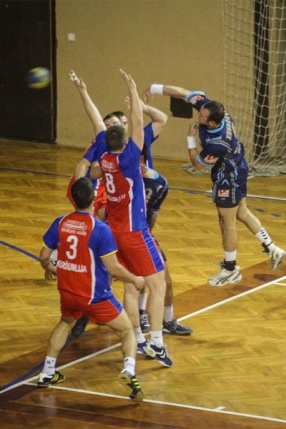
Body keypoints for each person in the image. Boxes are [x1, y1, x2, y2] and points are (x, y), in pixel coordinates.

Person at [143, 84, 286, 287]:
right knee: (242, 212)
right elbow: (184, 93)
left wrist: (190, 139)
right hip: (238, 167)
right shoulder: (212, 108)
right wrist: (153, 88)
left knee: (227, 222)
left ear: (211, 122)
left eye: (202, 115)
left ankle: (230, 269)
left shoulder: (218, 143)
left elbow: (197, 165)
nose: (198, 114)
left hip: (228, 177)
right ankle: (272, 248)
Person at [75, 69, 173, 368]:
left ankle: (139, 339)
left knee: (132, 287)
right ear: (126, 139)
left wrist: (83, 91)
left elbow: (98, 126)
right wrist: (132, 88)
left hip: (115, 231)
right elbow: (139, 123)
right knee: (158, 286)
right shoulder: (130, 157)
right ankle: (157, 342)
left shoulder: (104, 160)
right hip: (134, 232)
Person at [38, 177, 145, 402]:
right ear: (94, 199)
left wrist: (51, 269)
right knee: (127, 331)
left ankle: (47, 372)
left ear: (72, 198)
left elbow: (44, 256)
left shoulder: (60, 222)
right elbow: (113, 268)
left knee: (66, 323)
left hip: (67, 290)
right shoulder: (100, 229)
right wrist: (135, 279)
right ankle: (129, 370)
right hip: (95, 296)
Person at [104, 108, 193, 337]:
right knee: (141, 283)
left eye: (123, 122)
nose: (121, 125)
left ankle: (158, 323)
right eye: (113, 124)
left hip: (133, 229)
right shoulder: (120, 157)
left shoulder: (124, 153)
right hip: (128, 230)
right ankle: (147, 335)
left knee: (155, 280)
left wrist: (141, 106)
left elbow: (159, 119)